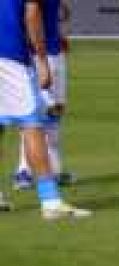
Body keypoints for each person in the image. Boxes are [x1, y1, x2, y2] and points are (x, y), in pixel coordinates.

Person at [0, 0, 86, 216]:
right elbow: (32, 12)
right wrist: (41, 60)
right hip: (10, 54)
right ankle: (50, 201)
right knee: (32, 124)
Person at [9, 0, 61, 189]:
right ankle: (25, 171)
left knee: (50, 114)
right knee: (35, 116)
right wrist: (41, 58)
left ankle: (52, 170)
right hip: (40, 53)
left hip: (48, 49)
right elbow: (31, 13)